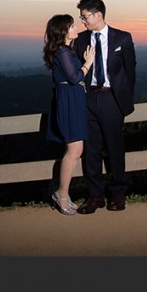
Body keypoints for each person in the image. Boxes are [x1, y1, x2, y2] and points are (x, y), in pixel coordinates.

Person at [73, 0, 137, 213]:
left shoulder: (123, 38)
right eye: (81, 17)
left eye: (85, 16)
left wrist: (123, 104)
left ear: (98, 15)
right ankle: (95, 196)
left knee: (114, 148)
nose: (82, 21)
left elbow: (131, 73)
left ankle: (118, 194)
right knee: (90, 150)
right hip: (88, 99)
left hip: (112, 100)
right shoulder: (80, 40)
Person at [42, 14, 95, 215]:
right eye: (72, 26)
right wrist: (88, 62)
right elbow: (74, 78)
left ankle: (64, 193)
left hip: (73, 100)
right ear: (63, 31)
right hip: (69, 101)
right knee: (73, 150)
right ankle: (61, 194)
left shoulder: (67, 51)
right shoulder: (62, 51)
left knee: (76, 149)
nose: (76, 28)